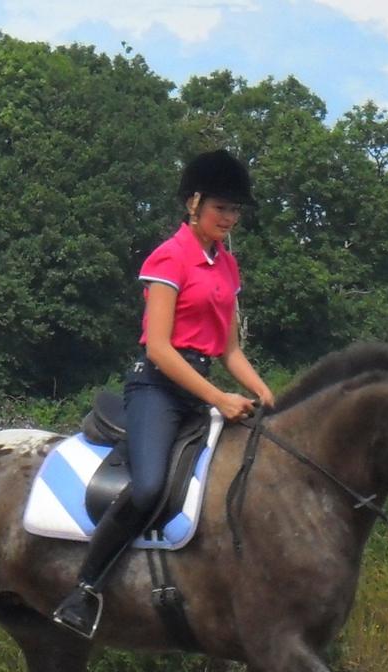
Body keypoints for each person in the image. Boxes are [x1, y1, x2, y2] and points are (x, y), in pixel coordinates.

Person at [52, 148, 275, 639]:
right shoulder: (168, 257)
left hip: (198, 389)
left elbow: (230, 350)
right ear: (193, 203)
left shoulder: (227, 267)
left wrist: (262, 391)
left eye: (236, 211)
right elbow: (158, 347)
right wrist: (219, 398)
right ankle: (84, 589)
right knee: (151, 486)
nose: (229, 219)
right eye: (222, 208)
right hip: (156, 386)